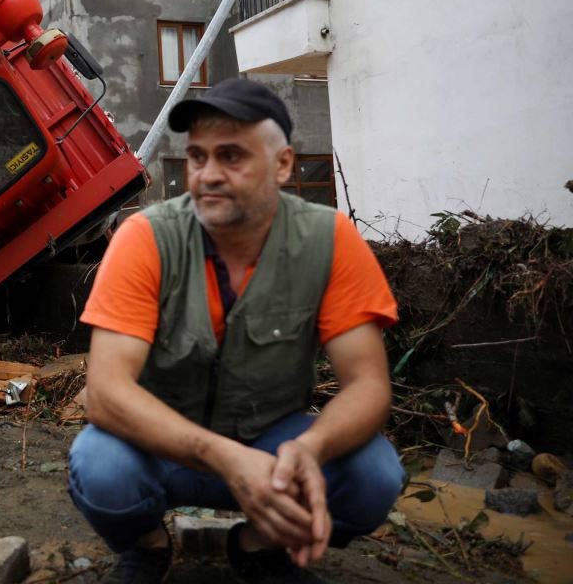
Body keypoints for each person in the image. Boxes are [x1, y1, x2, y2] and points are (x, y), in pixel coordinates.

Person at [67, 78, 404, 583]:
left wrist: (309, 449)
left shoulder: (329, 241)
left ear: (284, 164)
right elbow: (106, 394)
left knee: (373, 478)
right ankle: (148, 546)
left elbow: (370, 385)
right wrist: (222, 456)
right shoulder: (145, 238)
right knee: (101, 467)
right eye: (198, 157)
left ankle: (259, 547)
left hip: (274, 445)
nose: (207, 175)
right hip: (164, 447)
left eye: (232, 157)